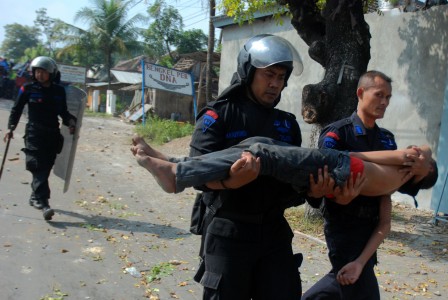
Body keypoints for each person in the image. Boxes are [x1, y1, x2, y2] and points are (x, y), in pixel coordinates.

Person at [133, 34, 333, 299]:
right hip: (229, 231)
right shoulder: (218, 115)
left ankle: (170, 164)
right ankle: (171, 168)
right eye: (268, 75)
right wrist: (231, 182)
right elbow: (200, 178)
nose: (275, 84)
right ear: (248, 72)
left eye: (281, 77)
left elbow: (290, 189)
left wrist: (312, 193)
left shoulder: (287, 124)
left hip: (274, 233)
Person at [302, 70, 432, 300]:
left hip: (372, 227)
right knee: (353, 282)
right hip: (344, 227)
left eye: (388, 98)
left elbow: (391, 184)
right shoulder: (337, 133)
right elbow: (324, 179)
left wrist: (420, 169)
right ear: (360, 93)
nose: (384, 102)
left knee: (348, 283)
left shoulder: (387, 139)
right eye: (379, 95)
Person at [130, 136, 437, 198]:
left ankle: (177, 176)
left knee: (262, 153)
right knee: (258, 142)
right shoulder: (396, 175)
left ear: (420, 176)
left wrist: (418, 156)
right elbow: (362, 156)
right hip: (342, 162)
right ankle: (177, 162)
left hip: (339, 166)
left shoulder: (403, 169)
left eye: (425, 162)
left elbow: (423, 148)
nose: (417, 153)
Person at [3, 56, 77, 221]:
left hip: (52, 134)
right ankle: (42, 202)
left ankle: (34, 195)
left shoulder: (59, 91)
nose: (39, 75)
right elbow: (16, 109)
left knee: (46, 166)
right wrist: (11, 128)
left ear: (51, 73)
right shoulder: (27, 89)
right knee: (38, 166)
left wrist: (71, 122)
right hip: (34, 133)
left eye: (43, 72)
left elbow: (63, 112)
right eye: (37, 71)